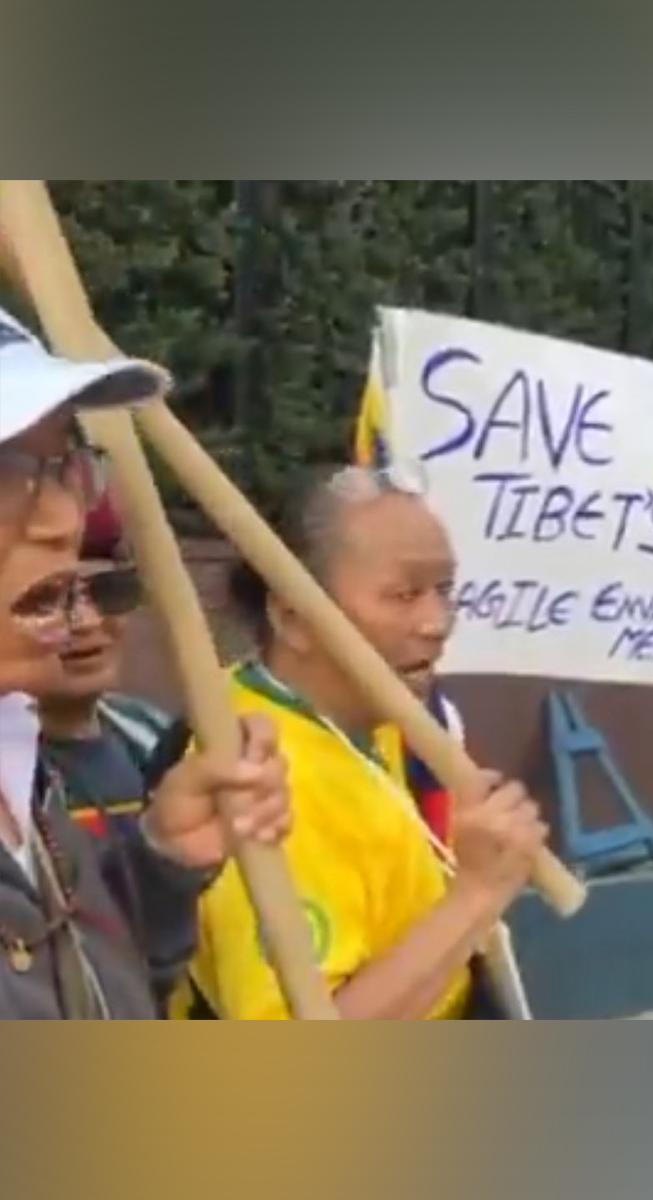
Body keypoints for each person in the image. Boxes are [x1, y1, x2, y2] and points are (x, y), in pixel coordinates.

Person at [171, 465, 550, 1020]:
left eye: (444, 590)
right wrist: (476, 894)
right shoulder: (257, 776)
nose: (437, 622)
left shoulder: (386, 717)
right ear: (293, 616)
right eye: (403, 594)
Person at [0, 305, 291, 1019]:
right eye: (4, 472)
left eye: (64, 464)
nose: (63, 517)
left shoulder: (18, 762)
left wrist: (160, 867)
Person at [38, 496, 173, 840]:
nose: (86, 621)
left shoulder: (156, 736)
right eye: (49, 599)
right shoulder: (11, 777)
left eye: (110, 592)